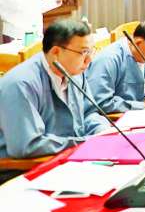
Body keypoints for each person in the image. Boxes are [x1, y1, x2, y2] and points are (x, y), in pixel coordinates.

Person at [0, 19, 108, 168]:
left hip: (69, 157)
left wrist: (102, 131)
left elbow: (89, 113)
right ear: (55, 52)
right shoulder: (21, 84)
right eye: (83, 52)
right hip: (23, 169)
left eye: (91, 51)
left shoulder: (75, 73)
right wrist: (85, 141)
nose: (89, 60)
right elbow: (27, 146)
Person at [86, 20, 145, 113]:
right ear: (139, 43)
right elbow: (101, 102)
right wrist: (141, 105)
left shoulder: (144, 54)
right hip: (119, 117)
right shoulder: (109, 59)